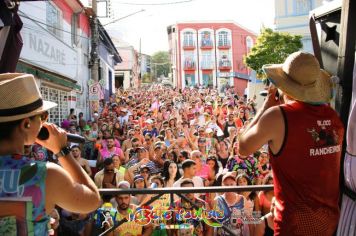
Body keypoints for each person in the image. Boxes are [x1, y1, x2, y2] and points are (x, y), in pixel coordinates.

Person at [238, 52, 344, 235]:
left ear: (284, 87)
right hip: (329, 220)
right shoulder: (333, 117)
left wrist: (266, 107)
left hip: (295, 223)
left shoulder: (278, 116)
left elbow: (242, 148)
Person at [0, 73, 100, 235]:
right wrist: (61, 150)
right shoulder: (43, 175)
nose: (44, 122)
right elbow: (92, 201)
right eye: (42, 117)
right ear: (26, 124)